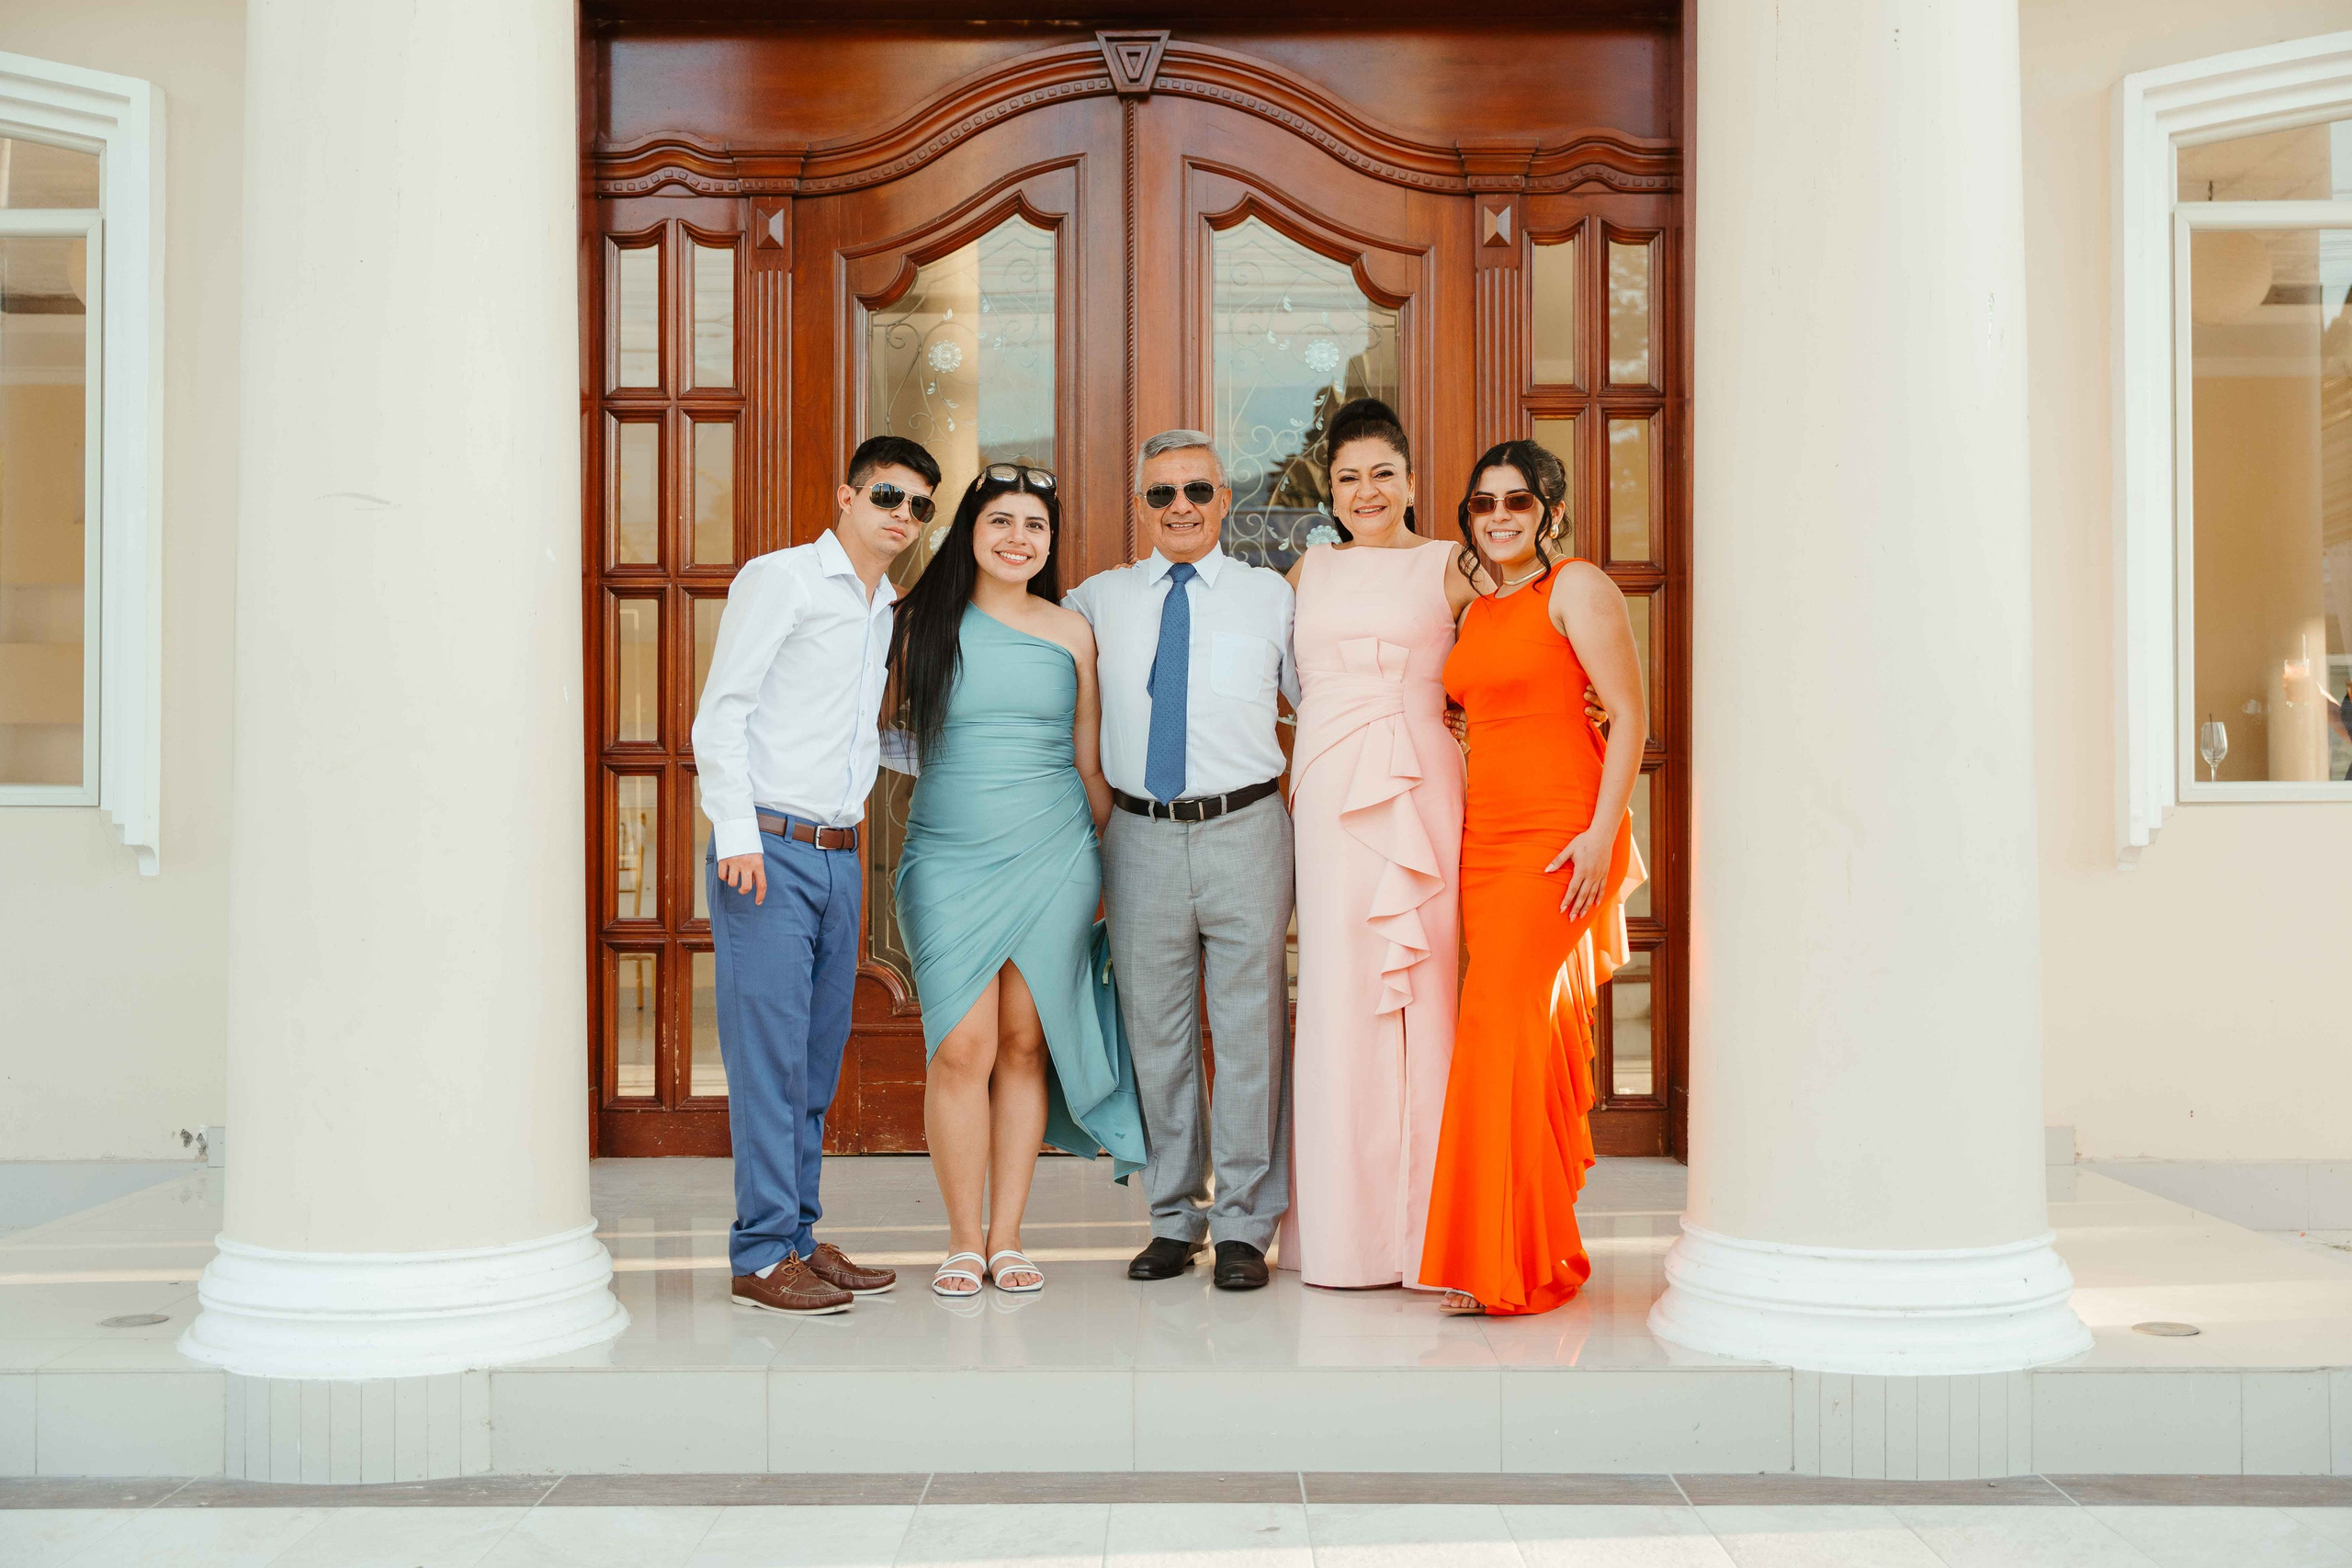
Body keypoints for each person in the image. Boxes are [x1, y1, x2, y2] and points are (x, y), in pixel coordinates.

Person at [692, 434, 940, 1317]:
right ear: (846, 494)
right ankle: (759, 1253)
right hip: (765, 848)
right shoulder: (784, 578)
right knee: (768, 1062)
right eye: (886, 496)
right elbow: (721, 714)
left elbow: (859, 735)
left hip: (838, 857)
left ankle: (796, 1236)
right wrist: (735, 838)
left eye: (918, 506)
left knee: (812, 1066)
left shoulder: (883, 609)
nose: (901, 517)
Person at [888, 463, 1147, 1298]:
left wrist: (1121, 861)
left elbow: (1088, 755)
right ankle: (962, 1238)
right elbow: (873, 734)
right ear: (969, 529)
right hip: (949, 857)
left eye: (1035, 525)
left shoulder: (1072, 630)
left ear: (1050, 541)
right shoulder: (917, 622)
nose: (1017, 538)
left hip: (1056, 853)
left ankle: (1007, 1238)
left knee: (1024, 1044)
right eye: (1001, 520)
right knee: (960, 1046)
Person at [1064, 431, 1298, 1291]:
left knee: (1249, 1033)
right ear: (1141, 507)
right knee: (1156, 1034)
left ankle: (1243, 1223)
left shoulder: (1272, 596)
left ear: (1224, 497)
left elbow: (1326, 706)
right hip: (1141, 834)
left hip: (1247, 826)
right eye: (1161, 494)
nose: (1181, 507)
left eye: (1196, 489)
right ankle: (1174, 1217)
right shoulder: (1096, 599)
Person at [1420, 439, 1648, 1317]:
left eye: (1518, 502)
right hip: (1484, 841)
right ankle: (1520, 1247)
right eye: (1484, 503)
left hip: (1558, 840)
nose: (1500, 517)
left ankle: (1506, 1265)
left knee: (1499, 1031)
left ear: (1551, 512)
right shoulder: (1478, 609)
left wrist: (1599, 835)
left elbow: (1629, 716)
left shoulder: (1577, 587)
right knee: (1510, 1037)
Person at [1276, 398, 1479, 1292]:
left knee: (1425, 987)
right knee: (1336, 988)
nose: (1366, 490)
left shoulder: (1452, 566)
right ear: (1330, 487)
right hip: (1324, 792)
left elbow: (1515, 652)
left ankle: (1430, 1236)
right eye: (1349, 477)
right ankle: (1344, 1238)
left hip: (1419, 781)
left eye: (1382, 474)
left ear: (1408, 479)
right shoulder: (1304, 573)